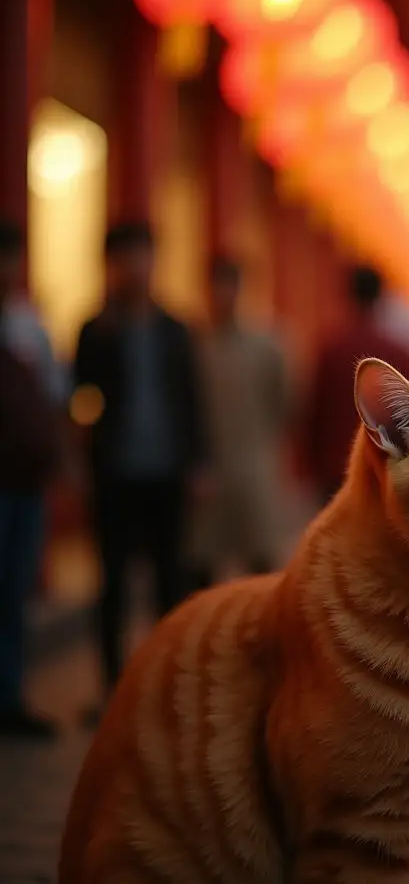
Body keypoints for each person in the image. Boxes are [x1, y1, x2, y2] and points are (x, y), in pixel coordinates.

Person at [73, 221, 208, 702]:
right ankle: (113, 686)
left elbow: (191, 400)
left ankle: (165, 681)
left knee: (169, 576)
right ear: (110, 265)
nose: (135, 267)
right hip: (113, 471)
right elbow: (80, 399)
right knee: (112, 580)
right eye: (125, 258)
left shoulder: (174, 329)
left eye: (142, 255)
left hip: (167, 470)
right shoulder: (95, 330)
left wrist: (199, 463)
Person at [188, 258, 292, 587]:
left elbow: (284, 405)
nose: (223, 294)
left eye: (229, 285)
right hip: (208, 471)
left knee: (260, 566)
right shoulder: (195, 346)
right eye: (216, 286)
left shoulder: (267, 346)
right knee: (201, 566)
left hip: (254, 465)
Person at [0, 223, 63, 739]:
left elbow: (54, 393)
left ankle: (10, 694)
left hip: (26, 480)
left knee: (15, 589)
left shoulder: (27, 324)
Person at [304, 265, 409, 504]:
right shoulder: (398, 355)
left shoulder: (331, 350)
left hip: (334, 468)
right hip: (381, 468)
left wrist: (309, 463)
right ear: (380, 298)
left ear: (348, 295)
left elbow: (315, 411)